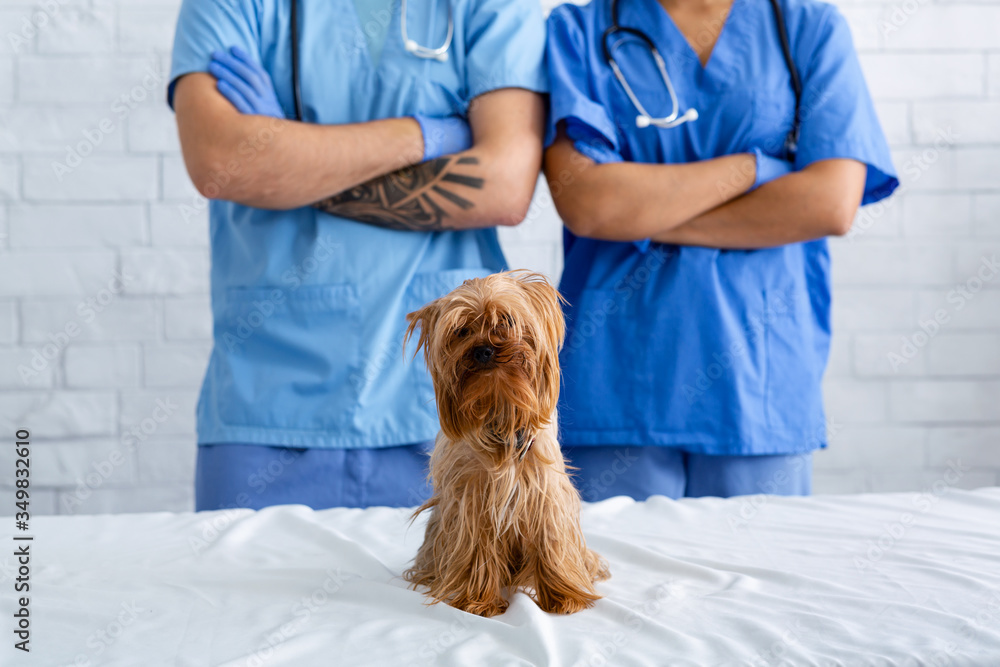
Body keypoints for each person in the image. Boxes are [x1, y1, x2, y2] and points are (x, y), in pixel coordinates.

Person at [167, 0, 547, 510]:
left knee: (459, 586)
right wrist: (427, 133)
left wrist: (293, 164)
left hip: (450, 405)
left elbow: (502, 185)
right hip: (266, 402)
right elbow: (221, 161)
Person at [542, 0, 898, 500]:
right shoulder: (577, 30)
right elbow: (590, 205)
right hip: (617, 383)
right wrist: (758, 168)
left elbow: (831, 204)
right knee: (610, 576)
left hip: (758, 386)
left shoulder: (807, 28)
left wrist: (643, 216)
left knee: (762, 572)